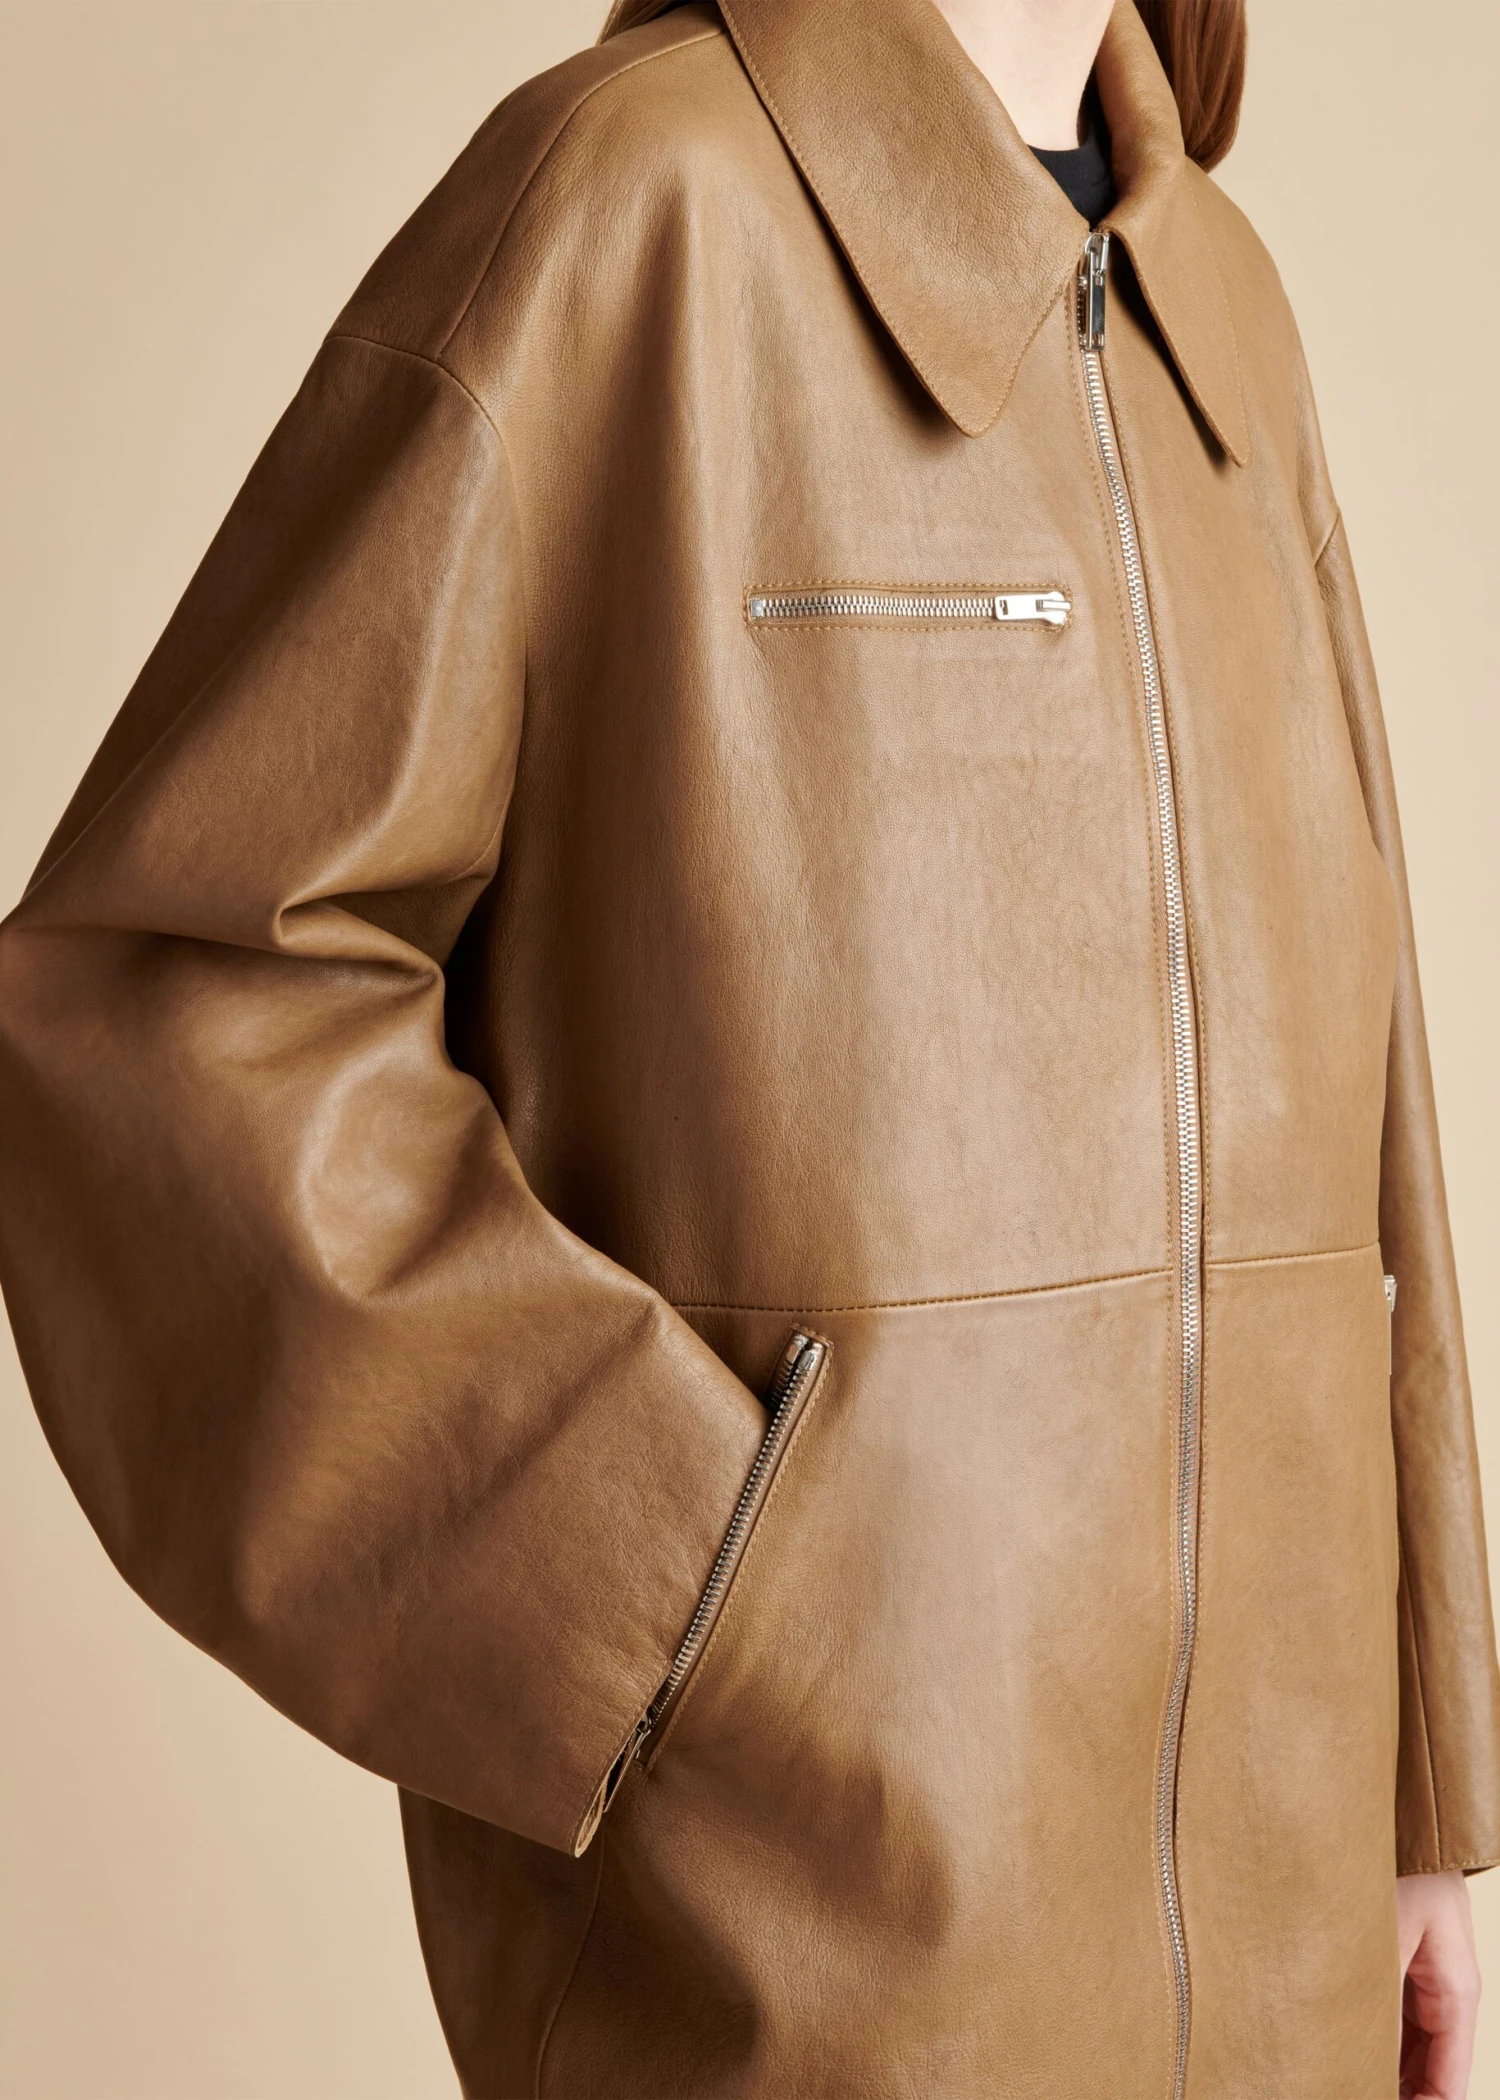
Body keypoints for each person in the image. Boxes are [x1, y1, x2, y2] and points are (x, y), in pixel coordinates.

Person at [0, 0, 1493, 2092]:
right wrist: (656, 1579)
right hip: (804, 1962)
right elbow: (164, 1005)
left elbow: (1372, 1100)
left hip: (1290, 1953)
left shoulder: (1226, 304)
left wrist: (1422, 1801)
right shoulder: (634, 204)